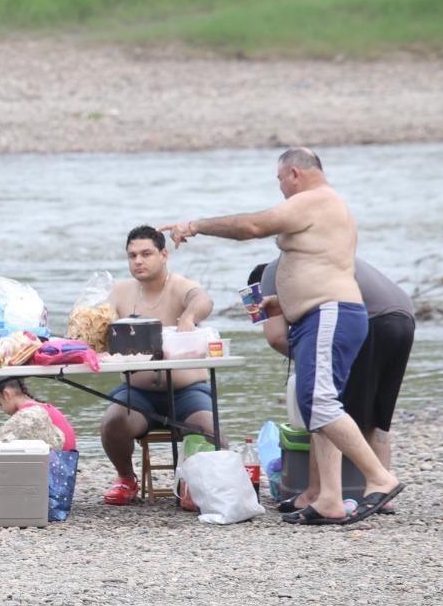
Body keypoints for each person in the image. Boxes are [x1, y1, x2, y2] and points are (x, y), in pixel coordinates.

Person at [161, 147, 404, 525]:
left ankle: (379, 477)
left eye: (279, 180)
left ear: (294, 173)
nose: (280, 189)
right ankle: (330, 499)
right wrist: (283, 301)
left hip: (330, 313)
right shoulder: (323, 207)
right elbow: (317, 262)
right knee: (319, 407)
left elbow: (252, 227)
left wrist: (196, 225)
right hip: (318, 314)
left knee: (318, 402)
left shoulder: (316, 200)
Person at [251, 257, 415, 514]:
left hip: (366, 319)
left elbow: (276, 336)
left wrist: (313, 364)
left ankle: (317, 494)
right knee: (378, 413)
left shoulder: (274, 272)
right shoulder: (324, 255)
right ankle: (383, 495)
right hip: (403, 316)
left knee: (323, 405)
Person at [99, 225, 215, 506]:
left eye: (146, 254)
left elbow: (203, 300)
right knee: (112, 421)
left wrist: (187, 318)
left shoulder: (180, 286)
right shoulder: (119, 292)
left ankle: (195, 480)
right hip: (138, 393)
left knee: (211, 429)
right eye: (132, 255)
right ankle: (126, 478)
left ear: (164, 255)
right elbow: (97, 326)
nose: (138, 261)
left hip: (185, 390)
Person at [0, 377, 76, 453]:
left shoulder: (28, 414)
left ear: (7, 394)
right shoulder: (47, 408)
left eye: (0, 404)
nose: (3, 410)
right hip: (67, 462)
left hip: (57, 465)